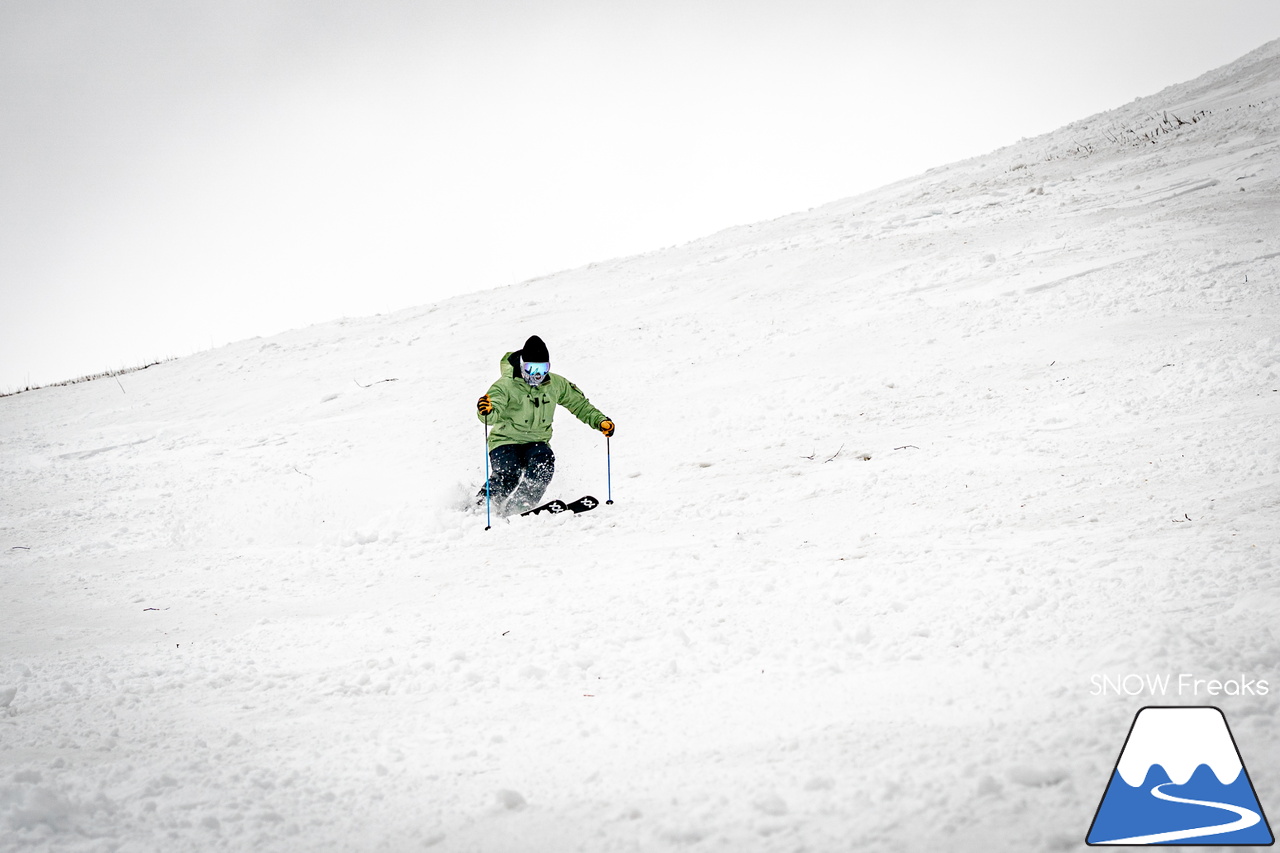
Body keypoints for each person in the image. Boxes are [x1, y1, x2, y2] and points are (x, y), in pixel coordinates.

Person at [476, 335, 614, 515]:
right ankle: (481, 507)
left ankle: (520, 505)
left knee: (544, 463)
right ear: (522, 365)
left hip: (536, 441)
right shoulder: (505, 385)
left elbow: (579, 404)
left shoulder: (555, 384)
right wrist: (486, 410)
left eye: (543, 369)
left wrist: (600, 421)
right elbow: (491, 412)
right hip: (505, 441)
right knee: (509, 472)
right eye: (531, 368)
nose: (537, 374)